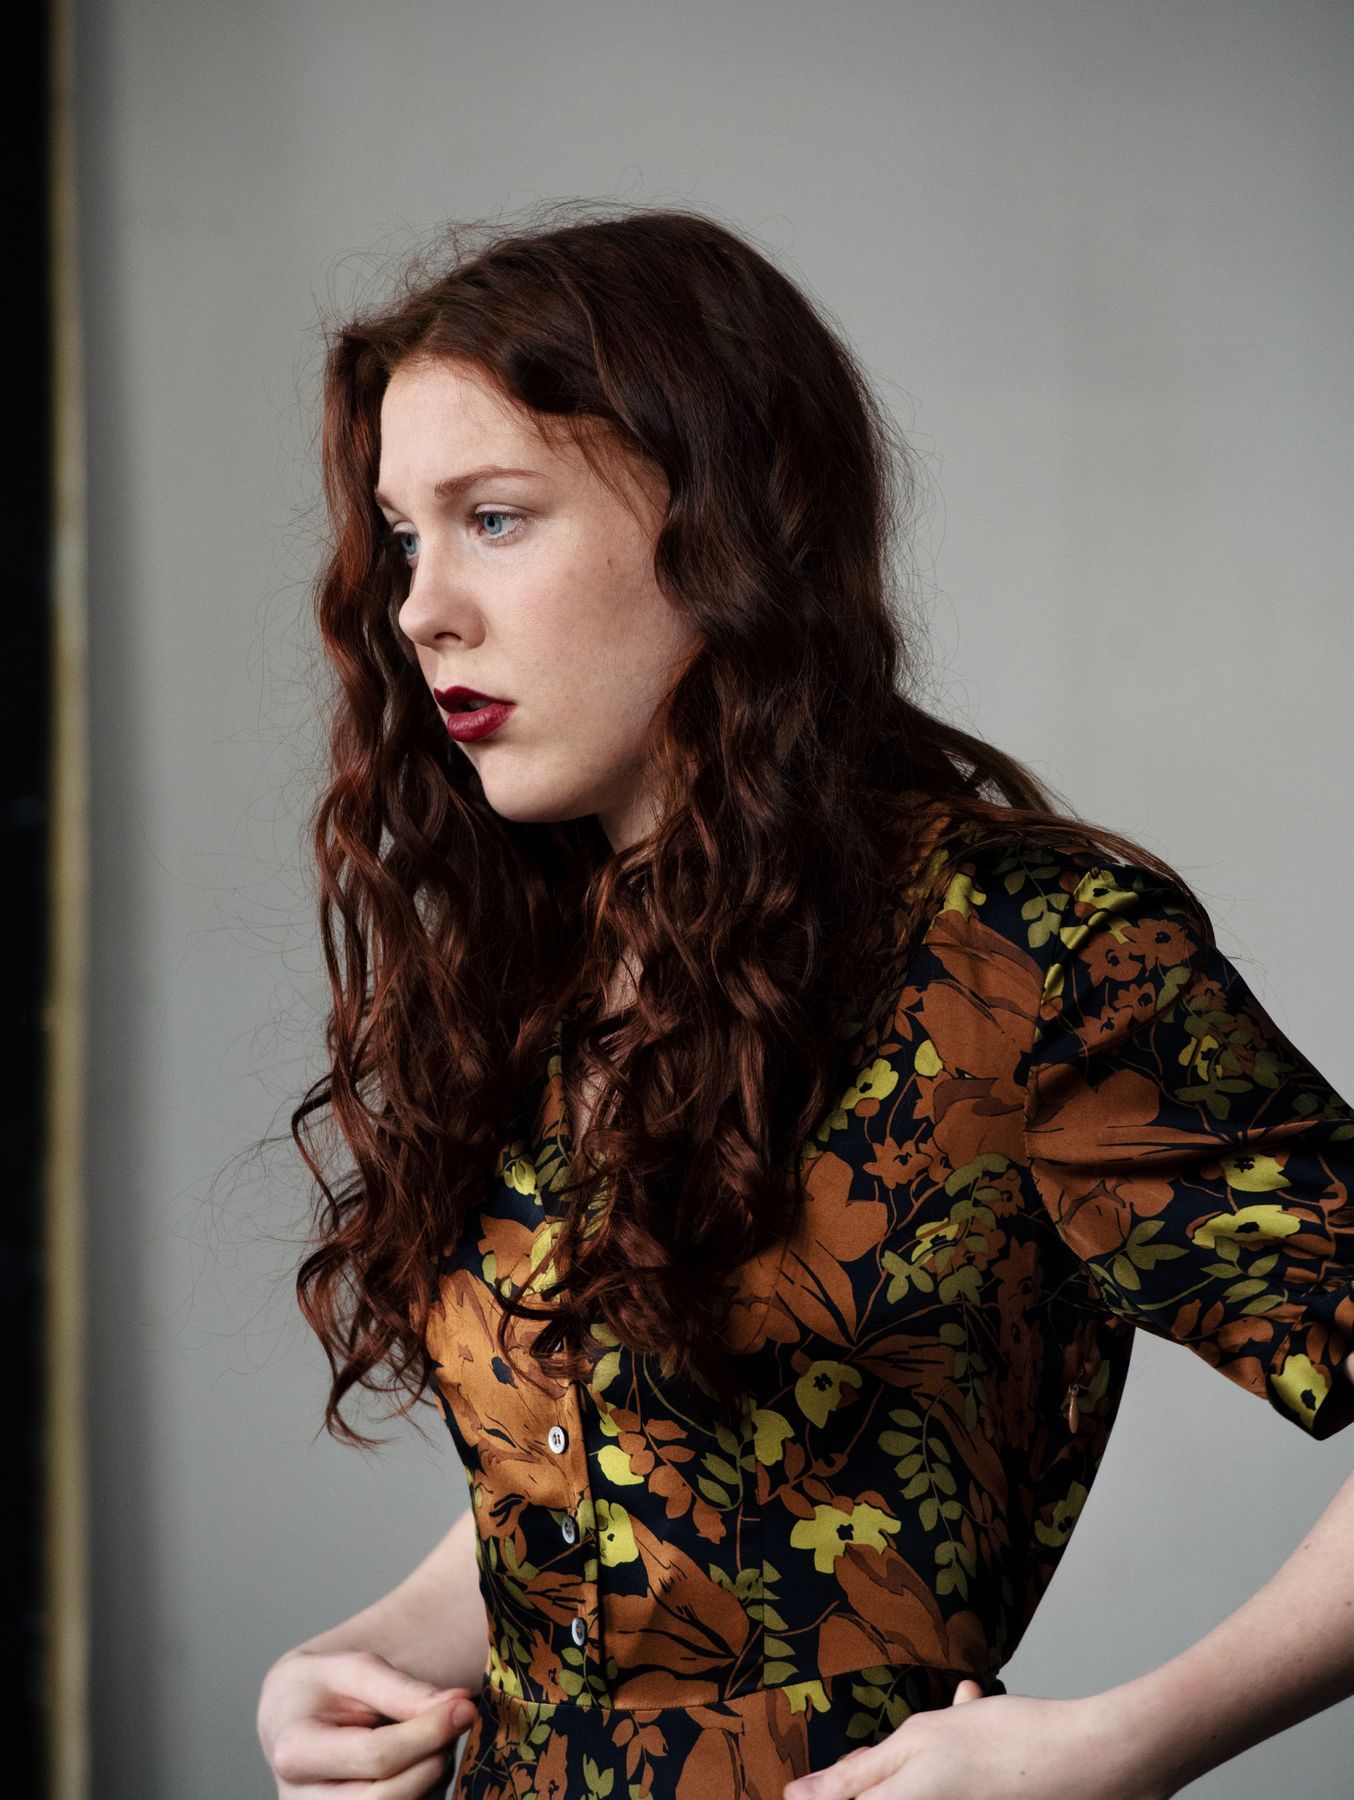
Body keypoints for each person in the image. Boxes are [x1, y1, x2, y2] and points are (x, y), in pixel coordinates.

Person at [257, 206, 1354, 1800]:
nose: (419, 607)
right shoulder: (539, 961)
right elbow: (624, 1474)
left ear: (726, 526)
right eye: (403, 537)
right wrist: (361, 1661)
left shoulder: (1025, 951)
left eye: (491, 518)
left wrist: (1138, 1739)